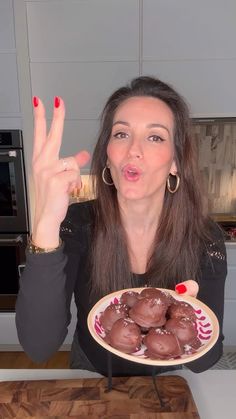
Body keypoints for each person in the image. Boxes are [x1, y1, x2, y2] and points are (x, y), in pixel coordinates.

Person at [15, 76, 227, 376]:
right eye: (121, 134)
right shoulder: (78, 224)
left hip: (169, 381)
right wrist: (46, 223)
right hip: (91, 374)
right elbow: (39, 347)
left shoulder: (205, 238)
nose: (133, 150)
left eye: (155, 137)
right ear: (107, 156)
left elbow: (207, 360)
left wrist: (192, 323)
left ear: (175, 162)